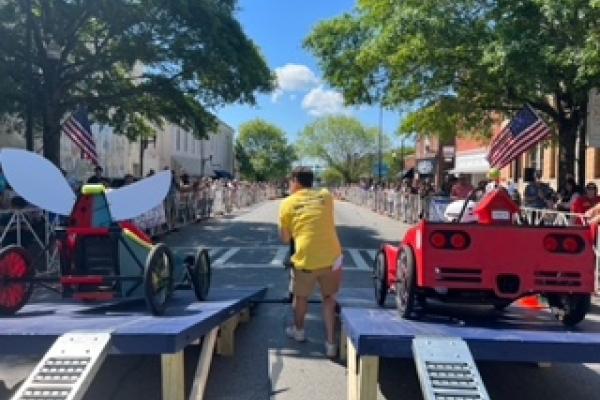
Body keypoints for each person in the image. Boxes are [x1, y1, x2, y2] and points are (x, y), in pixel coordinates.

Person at [279, 166, 342, 358]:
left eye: (291, 181)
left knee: (301, 298)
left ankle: (299, 331)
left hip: (306, 257)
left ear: (295, 181)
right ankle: (331, 343)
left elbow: (284, 238)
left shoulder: (288, 203)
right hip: (332, 257)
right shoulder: (326, 196)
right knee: (329, 299)